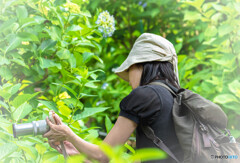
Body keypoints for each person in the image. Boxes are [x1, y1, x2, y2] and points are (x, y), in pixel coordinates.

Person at [43, 33, 184, 163]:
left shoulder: (145, 96)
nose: (128, 79)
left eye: (129, 69)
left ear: (141, 64)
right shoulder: (175, 97)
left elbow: (103, 155)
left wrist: (68, 134)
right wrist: (74, 153)